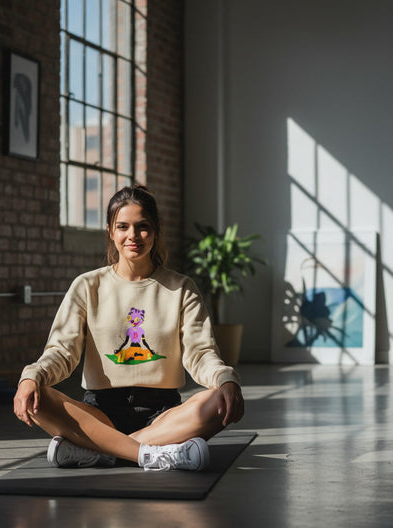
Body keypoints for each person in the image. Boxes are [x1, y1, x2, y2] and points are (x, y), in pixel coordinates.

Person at [13, 185, 244, 471]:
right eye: (123, 226)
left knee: (217, 400)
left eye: (142, 227)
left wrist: (225, 379)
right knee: (40, 398)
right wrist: (31, 377)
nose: (132, 236)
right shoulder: (87, 286)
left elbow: (201, 352)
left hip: (163, 416)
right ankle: (150, 454)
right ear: (110, 230)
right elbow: (62, 351)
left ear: (156, 230)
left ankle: (101, 450)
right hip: (98, 415)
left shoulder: (182, 288)